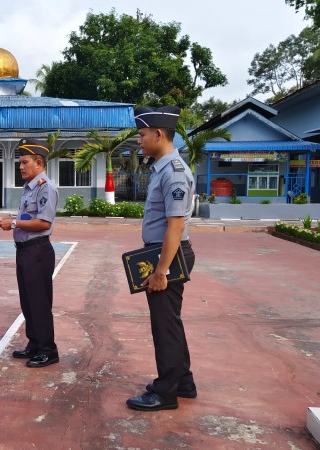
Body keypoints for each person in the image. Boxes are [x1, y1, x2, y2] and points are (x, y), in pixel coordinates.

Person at [126, 105, 197, 412]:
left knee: (164, 325)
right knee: (170, 322)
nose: (139, 140)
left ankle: (166, 392)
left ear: (158, 133)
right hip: (163, 253)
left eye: (142, 135)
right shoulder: (163, 168)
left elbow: (176, 225)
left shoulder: (174, 173)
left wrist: (161, 271)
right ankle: (183, 382)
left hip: (168, 256)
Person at [0, 138, 59, 368]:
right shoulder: (30, 187)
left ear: (39, 162)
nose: (20, 167)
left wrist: (12, 224)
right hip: (25, 252)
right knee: (28, 301)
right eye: (20, 163)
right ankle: (35, 343)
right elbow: (27, 217)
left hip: (38, 251)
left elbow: (43, 223)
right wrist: (9, 219)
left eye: (24, 162)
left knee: (39, 302)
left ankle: (48, 350)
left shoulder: (45, 188)